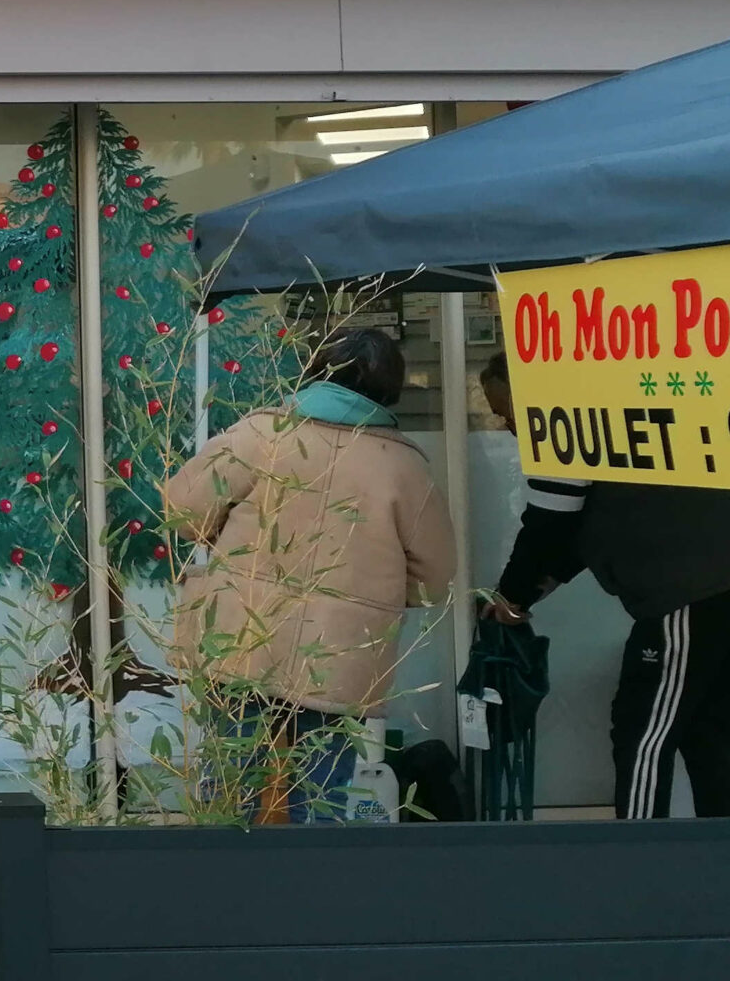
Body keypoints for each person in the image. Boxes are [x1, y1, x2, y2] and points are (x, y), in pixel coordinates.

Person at [164, 327, 457, 821]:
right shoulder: (405, 466)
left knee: (229, 789)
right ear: (391, 388)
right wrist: (379, 597)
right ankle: (316, 872)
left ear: (316, 370)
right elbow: (436, 573)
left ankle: (221, 871)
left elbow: (182, 508)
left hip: (242, 635)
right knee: (323, 795)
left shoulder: (262, 434)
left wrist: (218, 535)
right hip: (342, 650)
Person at [488, 360, 730, 818]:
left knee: (643, 730)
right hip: (710, 581)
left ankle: (639, 850)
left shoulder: (565, 417)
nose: (506, 426)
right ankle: (716, 850)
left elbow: (549, 522)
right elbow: (598, 521)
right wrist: (533, 589)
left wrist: (512, 595)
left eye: (506, 412)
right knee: (708, 729)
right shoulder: (612, 408)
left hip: (685, 588)